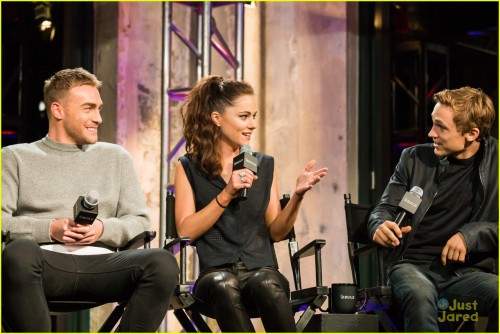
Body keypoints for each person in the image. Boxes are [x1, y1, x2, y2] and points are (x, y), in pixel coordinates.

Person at [2, 68, 179, 332]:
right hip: (45, 264)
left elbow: (139, 221)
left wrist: (102, 229)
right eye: (88, 108)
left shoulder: (116, 157)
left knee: (162, 262)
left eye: (99, 108)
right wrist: (51, 228)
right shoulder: (15, 157)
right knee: (18, 252)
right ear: (58, 110)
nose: (98, 118)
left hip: (103, 266)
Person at [174, 75, 328, 332]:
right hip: (214, 274)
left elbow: (277, 232)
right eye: (244, 116)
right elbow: (185, 232)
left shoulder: (265, 164)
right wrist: (227, 193)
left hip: (261, 269)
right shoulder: (188, 167)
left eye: (254, 116)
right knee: (223, 284)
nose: (252, 125)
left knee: (267, 283)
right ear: (217, 118)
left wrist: (298, 195)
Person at [368, 86, 498, 332]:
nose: (431, 133)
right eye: (432, 124)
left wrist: (471, 235)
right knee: (419, 294)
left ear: (471, 133)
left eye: (441, 127)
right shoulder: (414, 159)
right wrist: (379, 225)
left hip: (464, 275)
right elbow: (384, 209)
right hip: (410, 266)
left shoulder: (497, 163)